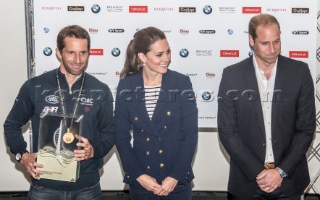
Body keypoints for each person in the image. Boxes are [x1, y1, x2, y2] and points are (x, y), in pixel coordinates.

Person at [4, 25, 114, 200]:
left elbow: (110, 133)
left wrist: (94, 150)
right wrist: (22, 155)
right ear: (58, 52)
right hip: (45, 185)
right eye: (71, 52)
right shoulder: (35, 86)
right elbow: (12, 124)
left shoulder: (101, 90)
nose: (78, 59)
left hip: (87, 187)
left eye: (83, 53)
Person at [217, 13, 316, 199]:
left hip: (289, 180)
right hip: (247, 182)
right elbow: (228, 131)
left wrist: (280, 172)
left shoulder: (299, 72)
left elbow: (306, 128)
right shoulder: (232, 75)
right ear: (251, 40)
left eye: (276, 41)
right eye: (265, 43)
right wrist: (258, 173)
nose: (272, 49)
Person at [114, 26, 198, 200]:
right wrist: (138, 175)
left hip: (177, 181)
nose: (166, 59)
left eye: (168, 52)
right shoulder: (127, 86)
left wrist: (174, 176)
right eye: (159, 55)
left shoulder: (181, 83)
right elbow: (120, 136)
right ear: (142, 56)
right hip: (142, 182)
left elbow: (190, 135)